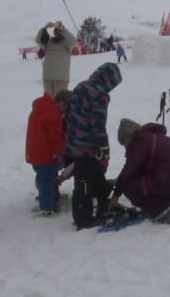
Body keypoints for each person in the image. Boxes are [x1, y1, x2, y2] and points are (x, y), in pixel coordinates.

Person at [110, 119, 170, 223]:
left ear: (129, 136)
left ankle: (163, 210)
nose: (124, 147)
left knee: (128, 186)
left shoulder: (140, 142)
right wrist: (117, 181)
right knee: (138, 179)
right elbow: (136, 169)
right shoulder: (153, 137)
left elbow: (128, 173)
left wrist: (115, 196)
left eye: (123, 143)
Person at [65, 63, 122, 230]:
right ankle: (83, 219)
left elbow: (69, 113)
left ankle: (103, 203)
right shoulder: (100, 96)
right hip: (87, 147)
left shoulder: (81, 86)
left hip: (73, 142)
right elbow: (98, 125)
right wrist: (104, 146)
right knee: (82, 184)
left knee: (95, 176)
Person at [26, 90, 71, 216]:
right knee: (47, 180)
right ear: (61, 104)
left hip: (36, 151)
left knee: (46, 176)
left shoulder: (42, 108)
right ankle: (48, 207)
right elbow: (56, 137)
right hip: (46, 153)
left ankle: (53, 197)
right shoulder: (53, 115)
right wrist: (60, 153)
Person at [36, 21, 77, 97]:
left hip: (61, 79)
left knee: (60, 104)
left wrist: (63, 30)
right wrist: (45, 28)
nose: (58, 33)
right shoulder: (48, 44)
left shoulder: (67, 45)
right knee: (48, 103)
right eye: (56, 31)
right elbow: (38, 40)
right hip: (47, 78)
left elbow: (73, 42)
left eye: (60, 31)